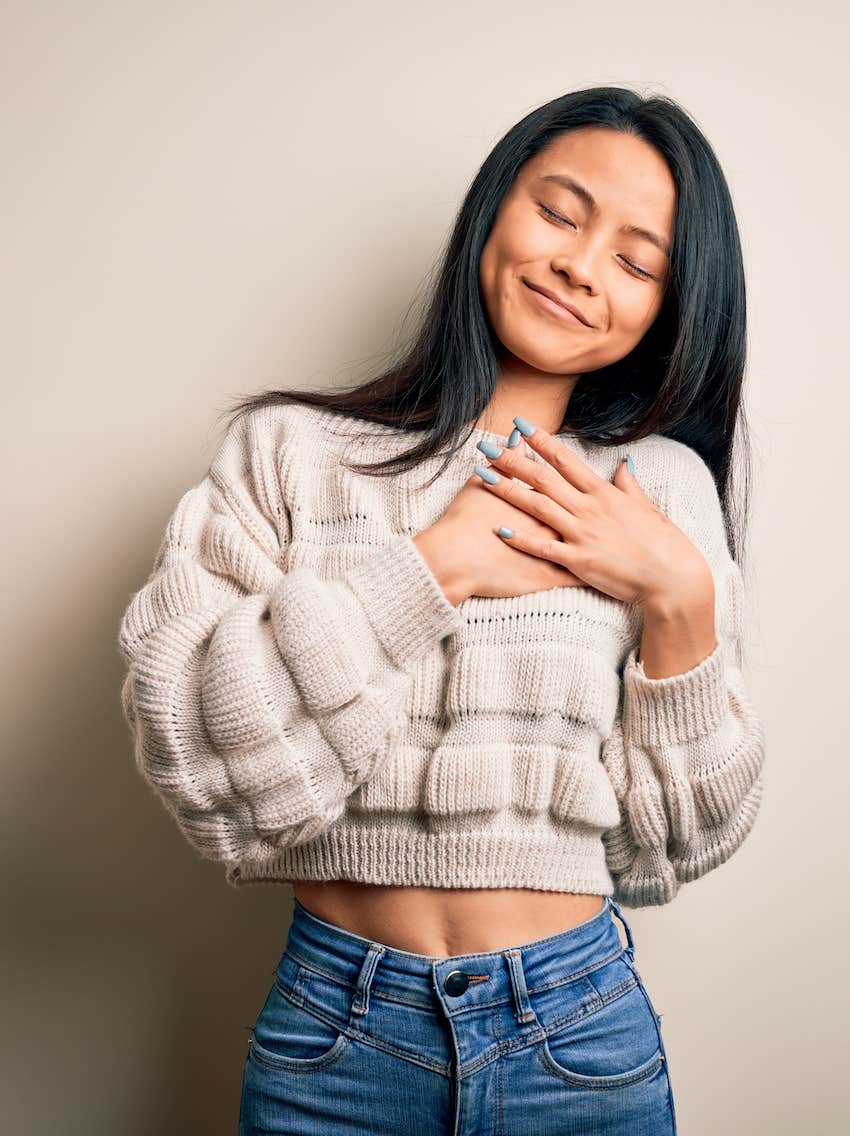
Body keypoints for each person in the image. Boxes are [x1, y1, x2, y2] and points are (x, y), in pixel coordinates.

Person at [118, 86, 766, 1134]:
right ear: (493, 211)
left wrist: (679, 599)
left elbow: (669, 851)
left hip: (578, 1035)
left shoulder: (659, 493)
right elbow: (203, 768)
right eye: (558, 211)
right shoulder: (291, 452)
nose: (579, 264)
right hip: (335, 1036)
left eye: (638, 261)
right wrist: (430, 570)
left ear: (669, 306)